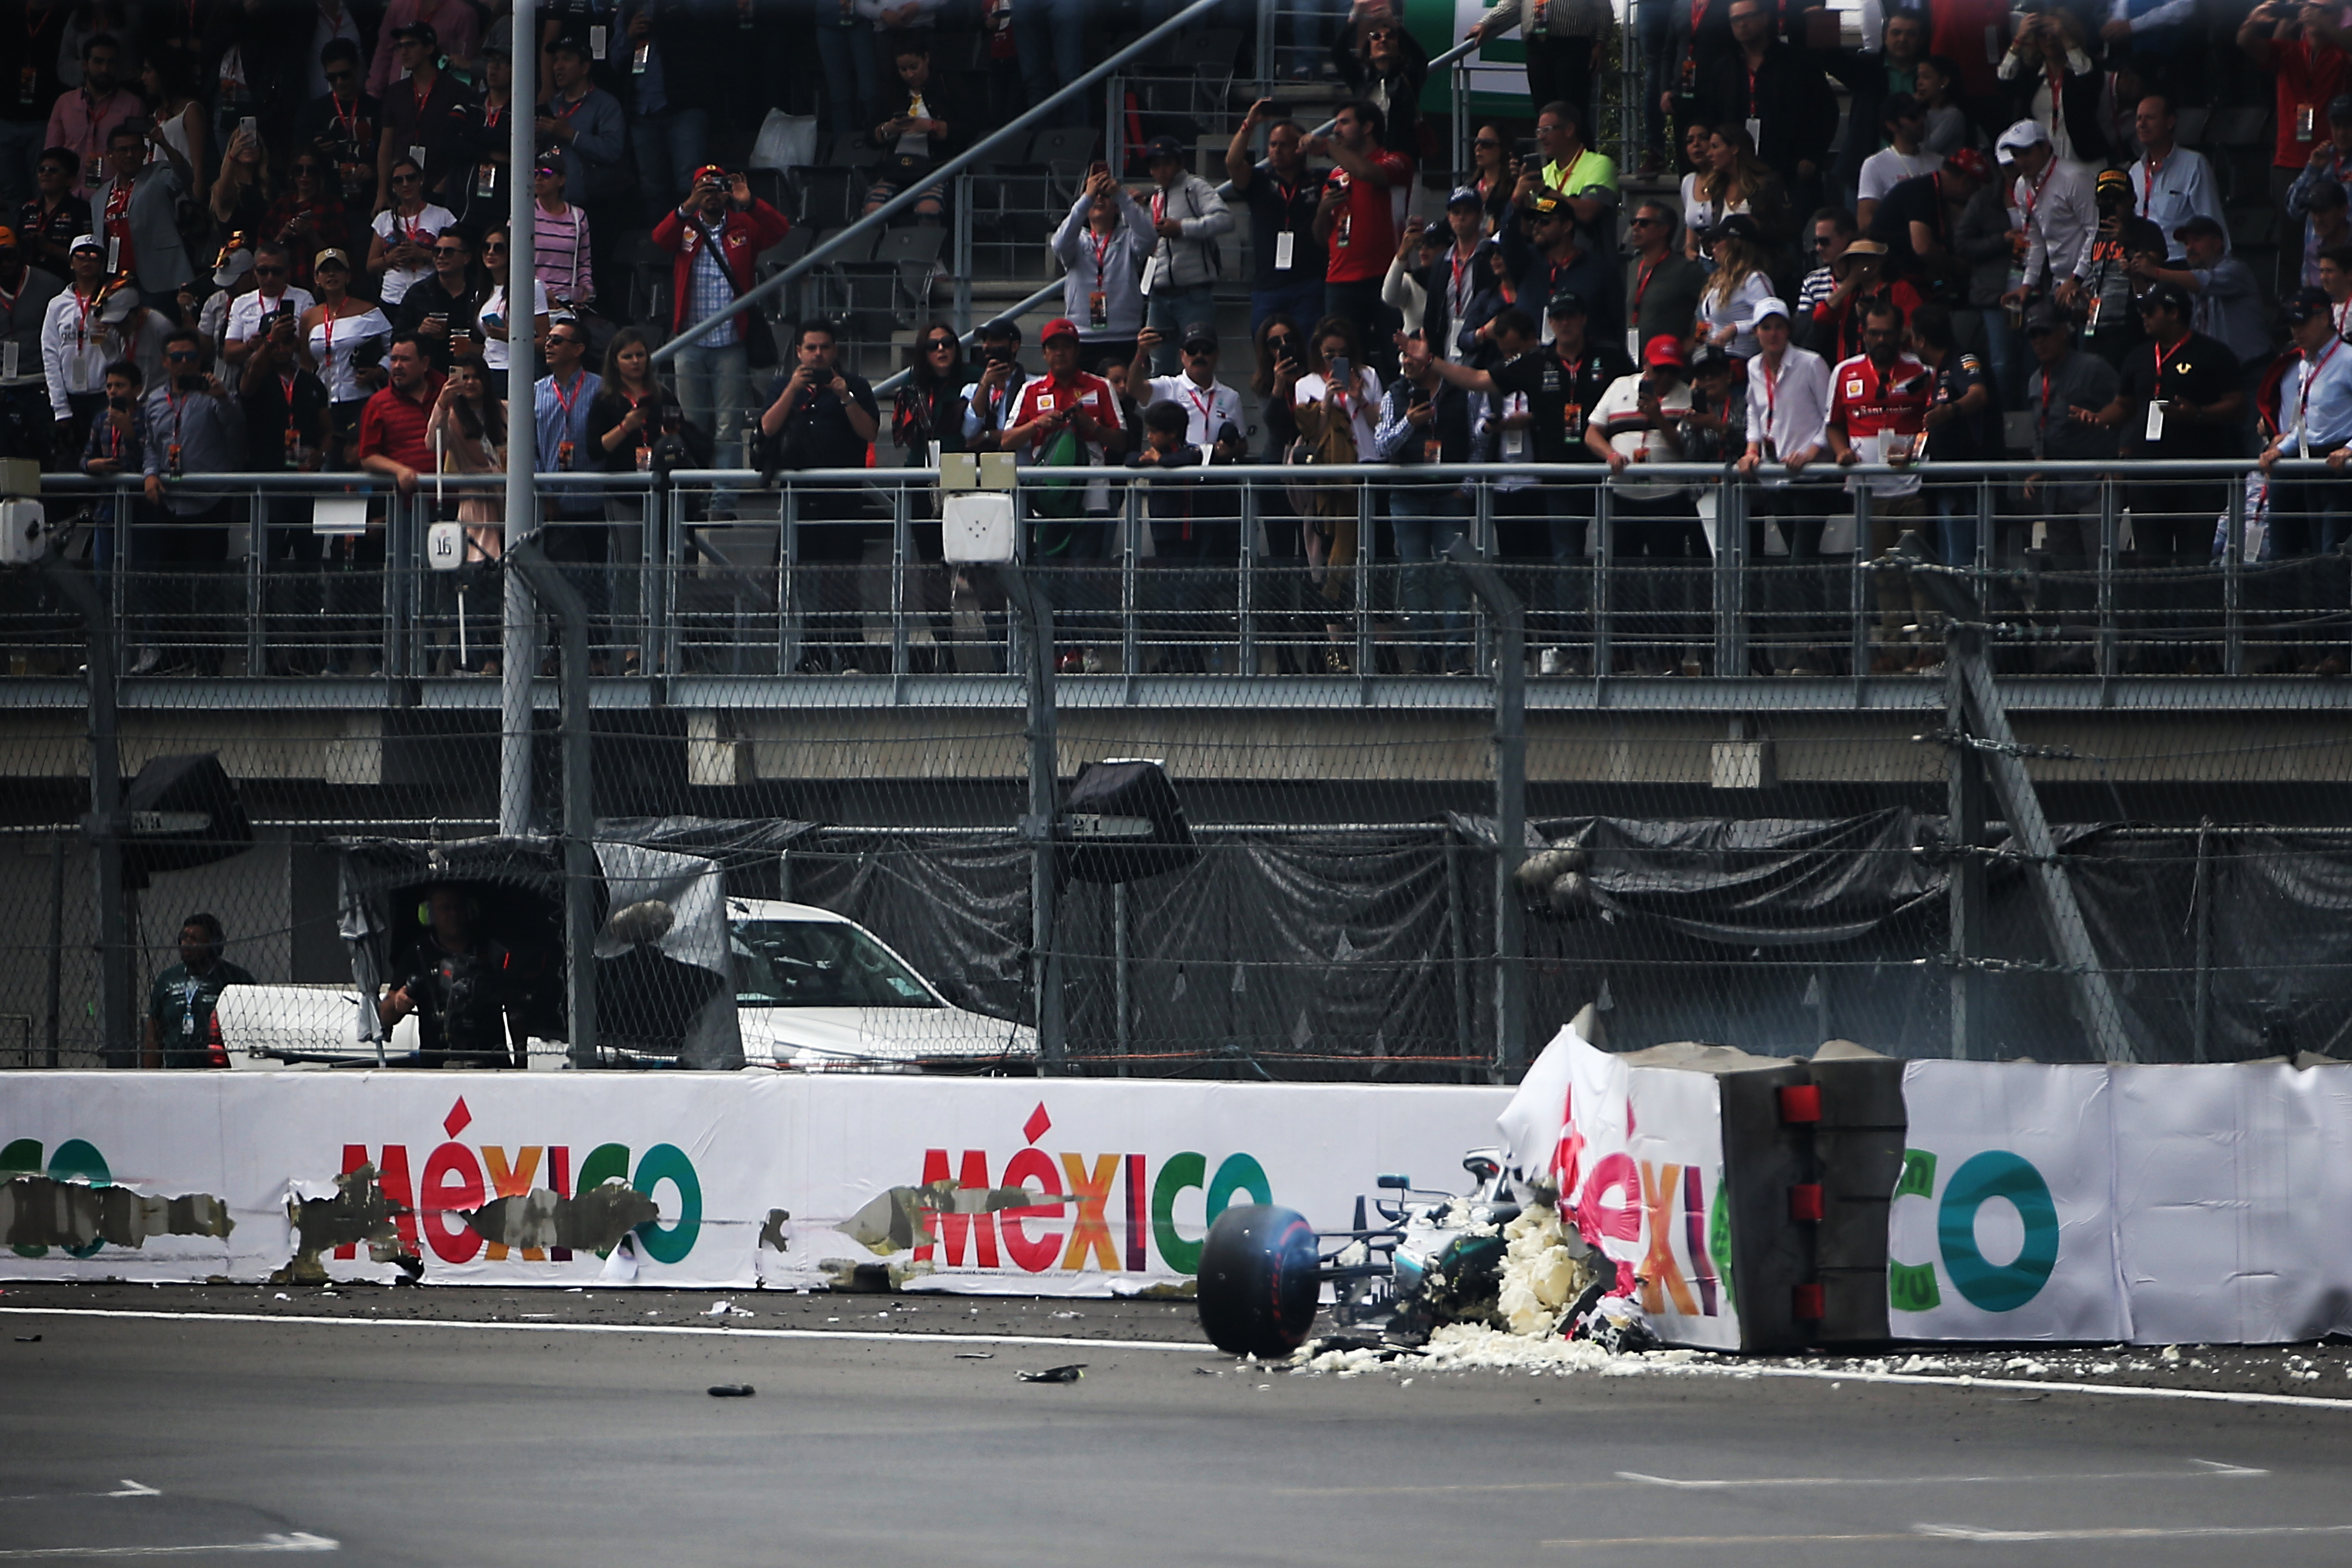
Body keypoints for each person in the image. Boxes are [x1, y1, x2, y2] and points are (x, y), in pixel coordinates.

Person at [1430, 294, 1633, 670]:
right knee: (1566, 564)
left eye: (1571, 316)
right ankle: (1570, 648)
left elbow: (1637, 391)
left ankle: (1621, 648)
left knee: (1616, 563)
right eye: (1558, 317)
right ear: (1550, 323)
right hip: (1559, 481)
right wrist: (1431, 361)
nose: (1565, 324)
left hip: (1609, 474)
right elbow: (1479, 379)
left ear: (1584, 318)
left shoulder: (1612, 355)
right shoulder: (1537, 362)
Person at [2092, 280, 2244, 670]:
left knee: (2195, 566)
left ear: (2174, 312)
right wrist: (2095, 419)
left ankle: (2203, 650)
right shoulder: (2140, 356)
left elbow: (2236, 404)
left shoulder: (2213, 354)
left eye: (2150, 311)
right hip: (2149, 478)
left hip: (2197, 477)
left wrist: (2198, 414)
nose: (2143, 318)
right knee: (2151, 565)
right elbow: (2123, 405)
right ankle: (2153, 650)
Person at [758, 318, 883, 672]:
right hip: (800, 501)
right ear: (798, 352)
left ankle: (848, 655)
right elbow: (767, 428)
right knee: (806, 583)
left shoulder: (856, 384)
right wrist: (791, 390)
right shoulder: (784, 385)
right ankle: (811, 655)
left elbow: (870, 432)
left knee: (842, 581)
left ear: (835, 350)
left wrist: (845, 396)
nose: (817, 354)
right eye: (810, 348)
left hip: (843, 501)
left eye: (824, 347)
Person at [652, 163, 790, 479]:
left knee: (728, 427)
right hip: (690, 341)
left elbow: (780, 230)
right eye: (705, 186)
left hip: (731, 342)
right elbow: (659, 239)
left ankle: (723, 503)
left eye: (718, 186)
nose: (712, 193)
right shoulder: (685, 226)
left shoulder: (743, 225)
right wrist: (687, 206)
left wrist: (749, 201)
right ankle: (697, 496)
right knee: (695, 424)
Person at [1587, 335, 1702, 674]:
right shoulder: (1619, 387)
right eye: (1659, 370)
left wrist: (1661, 419)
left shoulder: (1687, 395)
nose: (1665, 378)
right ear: (1646, 365)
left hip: (1668, 498)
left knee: (1668, 579)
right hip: (1624, 497)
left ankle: (1669, 653)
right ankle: (1622, 651)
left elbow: (1688, 449)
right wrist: (1609, 453)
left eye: (1671, 371)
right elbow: (1592, 433)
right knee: (1622, 577)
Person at [2017, 301, 2120, 670]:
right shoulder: (2035, 380)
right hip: (2058, 488)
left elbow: (2128, 406)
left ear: (2064, 332)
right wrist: (2039, 468)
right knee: (2068, 573)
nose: (2039, 342)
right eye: (2033, 336)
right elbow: (2042, 431)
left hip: (2093, 483)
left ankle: (2115, 652)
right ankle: (2077, 652)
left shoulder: (2093, 369)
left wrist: (2122, 459)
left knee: (2102, 570)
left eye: (2045, 333)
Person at [2255, 286, 2352, 674]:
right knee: (2314, 558)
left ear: (2324, 318)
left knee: (2332, 557)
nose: (2296, 332)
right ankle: (2317, 647)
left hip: (2339, 466)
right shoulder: (2305, 365)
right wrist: (2284, 445)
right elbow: (2306, 421)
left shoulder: (2347, 359)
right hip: (2311, 462)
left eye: (2303, 323)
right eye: (2292, 325)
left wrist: (2350, 449)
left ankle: (2341, 648)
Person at [1736, 297, 1835, 673]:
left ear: (1788, 330)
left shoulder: (1810, 363)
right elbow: (1754, 413)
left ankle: (1822, 645)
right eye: (1766, 327)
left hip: (1811, 477)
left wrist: (1812, 451)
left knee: (1801, 562)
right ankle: (1822, 645)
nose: (1772, 334)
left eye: (1778, 326)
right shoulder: (1753, 367)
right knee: (1800, 563)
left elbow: (1830, 415)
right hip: (1779, 477)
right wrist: (1751, 450)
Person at [1370, 327, 1476, 675]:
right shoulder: (1395, 394)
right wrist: (1408, 424)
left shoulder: (1461, 392)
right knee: (1415, 576)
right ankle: (1428, 656)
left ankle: (1458, 658)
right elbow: (1383, 446)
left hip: (1450, 495)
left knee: (1454, 574)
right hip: (1408, 497)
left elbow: (1479, 443)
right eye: (1402, 355)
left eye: (1412, 354)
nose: (1406, 361)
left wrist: (1468, 486)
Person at [137, 328, 243, 675]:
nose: (185, 364)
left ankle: (209, 662)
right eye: (177, 358)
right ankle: (175, 655)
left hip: (209, 502)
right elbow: (151, 443)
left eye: (191, 357)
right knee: (170, 582)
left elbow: (237, 432)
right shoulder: (154, 400)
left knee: (208, 584)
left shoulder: (214, 394)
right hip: (170, 501)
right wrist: (151, 472)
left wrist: (224, 399)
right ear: (166, 362)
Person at [239, 294, 331, 672]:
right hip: (270, 487)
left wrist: (321, 455)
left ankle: (308, 653)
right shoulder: (258, 379)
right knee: (268, 571)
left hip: (305, 487)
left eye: (288, 341)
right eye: (276, 341)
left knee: (310, 569)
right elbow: (245, 385)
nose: (283, 348)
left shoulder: (311, 383)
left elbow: (328, 431)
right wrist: (267, 345)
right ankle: (268, 654)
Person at [2240, 1, 2352, 299]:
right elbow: (2245, 42)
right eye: (2309, 7)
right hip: (2290, 159)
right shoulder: (2289, 50)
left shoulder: (2341, 53)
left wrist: (2327, 24)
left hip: (2330, 159)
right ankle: (2293, 311)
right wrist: (2258, 17)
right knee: (2291, 241)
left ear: (2338, 15)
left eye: (2323, 8)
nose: (2312, 13)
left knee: (2337, 238)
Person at [1702, 0, 1835, 203]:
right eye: (1736, 20)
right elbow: (1713, 115)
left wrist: (1812, 154)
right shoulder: (1724, 68)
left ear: (1764, 18)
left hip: (1790, 166)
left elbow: (1826, 110)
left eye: (1748, 17)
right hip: (1740, 168)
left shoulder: (1797, 63)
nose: (1742, 24)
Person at [381, 884, 523, 1069]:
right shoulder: (417, 954)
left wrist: (521, 1057)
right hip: (437, 1064)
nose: (453, 914)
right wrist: (398, 1003)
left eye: (458, 907)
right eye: (445, 908)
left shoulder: (490, 949)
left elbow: (516, 1006)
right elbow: (385, 1014)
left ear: (469, 910)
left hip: (491, 1061)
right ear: (430, 914)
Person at [1309, 101, 1411, 349]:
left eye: (1345, 122)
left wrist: (1326, 147)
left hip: (1388, 277)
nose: (1336, 129)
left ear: (1368, 127)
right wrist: (1323, 210)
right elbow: (1321, 238)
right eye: (1336, 123)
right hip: (1341, 281)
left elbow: (1369, 173)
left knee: (1394, 355)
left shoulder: (1397, 161)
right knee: (1343, 358)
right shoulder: (1335, 176)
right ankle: (1344, 391)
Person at [1132, 134, 1231, 377]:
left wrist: (1183, 228)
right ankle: (1161, 415)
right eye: (1155, 165)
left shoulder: (1195, 187)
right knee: (1158, 368)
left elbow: (1224, 220)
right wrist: (1138, 210)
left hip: (1194, 293)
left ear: (1179, 163)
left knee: (1200, 360)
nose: (1161, 170)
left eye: (1166, 163)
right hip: (1159, 295)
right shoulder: (1156, 198)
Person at [1228, 102, 1328, 337]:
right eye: (1273, 145)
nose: (1276, 151)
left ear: (1300, 147)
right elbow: (1233, 163)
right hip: (1268, 285)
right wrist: (1249, 124)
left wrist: (1324, 148)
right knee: (1266, 350)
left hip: (1309, 282)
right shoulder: (1259, 181)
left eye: (1284, 145)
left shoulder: (1320, 179)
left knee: (1308, 349)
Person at [1907, 302, 1994, 568]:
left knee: (1961, 562)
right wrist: (1912, 454)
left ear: (1921, 340)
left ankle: (1969, 609)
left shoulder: (1962, 360)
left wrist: (1951, 410)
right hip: (1943, 481)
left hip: (1964, 482)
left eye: (1912, 337)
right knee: (1947, 562)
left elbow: (1979, 394)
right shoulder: (1938, 371)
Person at [2135, 215, 2271, 372]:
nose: (2190, 248)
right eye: (2186, 243)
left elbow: (2204, 282)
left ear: (2217, 243)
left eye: (2196, 240)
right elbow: (2151, 306)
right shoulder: (2187, 282)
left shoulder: (2236, 270)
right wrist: (2136, 279)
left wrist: (2155, 271)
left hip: (2252, 370)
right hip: (2217, 374)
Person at [618, 0, 714, 218]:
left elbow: (711, 16)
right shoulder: (630, 9)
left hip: (685, 107)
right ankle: (661, 247)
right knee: (653, 191)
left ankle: (696, 246)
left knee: (689, 185)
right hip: (642, 112)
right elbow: (614, 59)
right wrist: (629, 35)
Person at [1053, 167, 1151, 371]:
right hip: (1083, 337)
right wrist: (1086, 198)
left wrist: (1122, 197)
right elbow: (1059, 244)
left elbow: (1150, 238)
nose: (1100, 199)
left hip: (1125, 336)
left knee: (1125, 397)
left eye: (1106, 196)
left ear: (1116, 207)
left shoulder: (1128, 238)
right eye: (1095, 196)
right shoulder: (1076, 240)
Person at [299, 247, 390, 468]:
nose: (332, 275)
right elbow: (305, 361)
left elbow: (393, 348)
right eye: (326, 271)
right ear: (317, 279)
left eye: (338, 270)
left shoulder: (368, 312)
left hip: (359, 398)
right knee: (329, 461)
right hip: (324, 401)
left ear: (348, 276)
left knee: (358, 460)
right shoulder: (309, 317)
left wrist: (379, 371)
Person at [376, 22, 477, 214]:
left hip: (440, 184)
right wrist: (382, 192)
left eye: (411, 45)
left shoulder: (457, 90)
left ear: (430, 48)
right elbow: (386, 144)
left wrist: (447, 181)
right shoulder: (395, 92)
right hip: (401, 185)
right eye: (400, 46)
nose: (404, 52)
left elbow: (465, 144)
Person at [1995, 120, 2095, 314]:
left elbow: (2096, 231)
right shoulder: (2021, 186)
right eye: (2016, 155)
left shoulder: (2074, 177)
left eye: (2027, 153)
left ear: (2046, 147)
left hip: (2089, 281)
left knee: (2085, 341)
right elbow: (2034, 238)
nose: (2021, 161)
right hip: (2059, 283)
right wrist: (2027, 284)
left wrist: (2077, 278)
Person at [1504, 191, 1623, 350]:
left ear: (1567, 226)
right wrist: (1515, 202)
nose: (1537, 227)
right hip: (1529, 361)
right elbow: (1508, 239)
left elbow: (1616, 322)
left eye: (1545, 222)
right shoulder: (1526, 261)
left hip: (1581, 361)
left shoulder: (1600, 270)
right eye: (1535, 222)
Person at [1468, 0, 1613, 130]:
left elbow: (1602, 7)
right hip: (1537, 46)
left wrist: (1600, 43)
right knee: (1545, 113)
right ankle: (1553, 160)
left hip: (1572, 45)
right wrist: (1485, 23)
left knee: (1573, 113)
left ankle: (1583, 158)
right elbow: (1512, 2)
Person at [861, 32, 959, 223]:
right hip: (896, 169)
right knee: (873, 207)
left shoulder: (947, 85)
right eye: (903, 70)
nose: (910, 75)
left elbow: (968, 129)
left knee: (928, 207)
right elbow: (870, 137)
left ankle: (928, 252)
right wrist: (888, 129)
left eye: (914, 67)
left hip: (936, 169)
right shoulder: (891, 91)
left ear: (927, 58)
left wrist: (931, 127)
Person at [140, 912, 255, 1068]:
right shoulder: (168, 980)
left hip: (223, 1073)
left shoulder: (236, 979)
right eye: (184, 938)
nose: (186, 944)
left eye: (194, 939)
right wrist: (151, 1074)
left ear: (214, 945)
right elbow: (154, 1031)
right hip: (176, 1072)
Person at [88, 118, 186, 298]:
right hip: (116, 282)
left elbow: (185, 177)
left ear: (144, 152)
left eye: (135, 149)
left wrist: (164, 144)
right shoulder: (98, 197)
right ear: (110, 155)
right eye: (123, 150)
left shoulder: (158, 175)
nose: (130, 155)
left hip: (159, 279)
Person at [1997, 10, 2103, 172]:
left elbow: (2088, 80)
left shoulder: (2085, 71)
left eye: (2055, 35)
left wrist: (2065, 36)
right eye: (2042, 35)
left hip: (2083, 160)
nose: (2049, 40)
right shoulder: (2033, 76)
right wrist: (2018, 41)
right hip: (2045, 161)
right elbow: (2004, 82)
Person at [534, 35, 626, 223]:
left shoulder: (606, 105)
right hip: (549, 205)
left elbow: (613, 151)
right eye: (557, 60)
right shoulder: (552, 105)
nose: (558, 66)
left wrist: (571, 135)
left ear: (585, 67)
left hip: (591, 207)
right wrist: (535, 139)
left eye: (566, 59)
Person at [39, 231, 113, 456]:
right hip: (71, 395)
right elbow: (50, 354)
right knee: (75, 455)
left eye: (94, 256)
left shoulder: (114, 299)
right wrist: (60, 407)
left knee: (107, 454)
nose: (87, 260)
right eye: (81, 255)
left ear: (101, 263)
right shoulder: (57, 305)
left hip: (104, 393)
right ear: (71, 262)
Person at [2126, 98, 2223, 265]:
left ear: (2170, 122)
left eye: (2150, 118)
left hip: (2179, 264)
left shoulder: (2194, 164)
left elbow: (2211, 223)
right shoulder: (2135, 171)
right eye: (2139, 118)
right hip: (2140, 266)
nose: (2142, 124)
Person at [1519, 100, 1618, 255]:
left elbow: (1587, 214)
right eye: (1539, 131)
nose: (1541, 137)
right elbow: (1528, 230)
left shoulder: (1599, 164)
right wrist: (1521, 198)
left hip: (1590, 266)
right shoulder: (1545, 173)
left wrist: (1545, 191)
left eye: (1547, 130)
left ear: (1569, 130)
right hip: (1549, 266)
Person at [44, 32, 136, 198]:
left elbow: (137, 159)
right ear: (85, 65)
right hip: (69, 196)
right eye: (99, 61)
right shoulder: (65, 103)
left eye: (111, 63)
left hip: (114, 197)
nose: (105, 69)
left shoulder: (133, 105)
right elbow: (52, 154)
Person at [1807, 238, 1924, 366]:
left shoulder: (1901, 289)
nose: (1861, 264)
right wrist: (1851, 281)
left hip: (1893, 365)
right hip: (1853, 368)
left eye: (1867, 258)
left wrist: (1873, 318)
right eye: (1855, 260)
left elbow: (1915, 332)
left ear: (1880, 261)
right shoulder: (1850, 294)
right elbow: (1821, 316)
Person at [293, 38, 377, 211]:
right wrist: (314, 149)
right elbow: (297, 157)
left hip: (369, 198)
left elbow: (389, 152)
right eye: (332, 77)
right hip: (325, 201)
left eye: (345, 74)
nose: (339, 82)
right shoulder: (312, 112)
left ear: (357, 68)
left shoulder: (376, 108)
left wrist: (373, 169)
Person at [1331, 8, 1426, 158]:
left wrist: (1395, 24)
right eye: (1376, 37)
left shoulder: (1408, 77)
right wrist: (1354, 18)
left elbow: (1420, 57)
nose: (1383, 40)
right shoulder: (1361, 78)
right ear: (1369, 49)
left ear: (1400, 48)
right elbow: (1338, 53)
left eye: (1390, 36)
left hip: (1400, 157)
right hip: (1365, 157)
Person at [2287, 94, 2352, 289]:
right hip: (2316, 274)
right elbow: (2294, 209)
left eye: (2348, 125)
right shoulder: (2322, 160)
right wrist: (2312, 170)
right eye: (2336, 126)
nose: (2341, 133)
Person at [261, 151, 348, 297]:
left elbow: (339, 257)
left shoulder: (331, 205)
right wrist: (283, 235)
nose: (305, 175)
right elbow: (263, 252)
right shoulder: (281, 205)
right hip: (284, 284)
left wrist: (311, 234)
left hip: (318, 286)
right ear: (292, 174)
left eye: (311, 171)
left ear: (319, 174)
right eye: (299, 170)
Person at [476, 224, 547, 404]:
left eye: (499, 248)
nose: (491, 253)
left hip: (515, 370)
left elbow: (546, 340)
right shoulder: (483, 291)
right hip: (486, 370)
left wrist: (511, 336)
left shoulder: (531, 286)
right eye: (487, 247)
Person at [222, 242, 313, 377]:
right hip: (256, 378)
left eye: (276, 272)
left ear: (287, 271)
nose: (270, 278)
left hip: (294, 376)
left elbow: (315, 347)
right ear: (255, 271)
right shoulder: (241, 303)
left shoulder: (304, 298)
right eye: (263, 271)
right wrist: (250, 345)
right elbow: (229, 354)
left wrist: (288, 340)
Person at [1856, 94, 1941, 234]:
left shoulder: (1939, 162)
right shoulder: (1875, 164)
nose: (1921, 121)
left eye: (1923, 115)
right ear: (1892, 125)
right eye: (1913, 117)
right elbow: (1865, 221)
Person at [394, 226, 487, 351]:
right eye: (437, 252)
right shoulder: (419, 293)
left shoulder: (481, 291)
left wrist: (477, 349)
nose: (441, 256)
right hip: (431, 366)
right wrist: (419, 332)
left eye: (449, 252)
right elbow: (396, 340)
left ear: (467, 258)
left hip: (471, 366)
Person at [366, 0, 483, 98]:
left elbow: (463, 63)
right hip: (398, 95)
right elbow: (384, 53)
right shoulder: (398, 6)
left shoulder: (464, 14)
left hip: (439, 96)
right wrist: (373, 93)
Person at [1696, 213, 1774, 360]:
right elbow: (1706, 324)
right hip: (1713, 362)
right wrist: (1699, 349)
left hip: (1741, 362)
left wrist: (1735, 328)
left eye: (1719, 240)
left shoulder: (1754, 280)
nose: (1713, 245)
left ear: (1735, 243)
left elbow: (1772, 319)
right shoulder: (1716, 279)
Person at [529, 157, 595, 318]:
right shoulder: (524, 212)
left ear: (562, 180)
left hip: (567, 306)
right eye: (536, 172)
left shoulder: (578, 217)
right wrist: (543, 289)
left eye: (547, 173)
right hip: (533, 302)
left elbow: (583, 261)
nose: (539, 178)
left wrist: (586, 288)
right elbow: (516, 261)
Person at [18, 146, 88, 279]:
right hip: (28, 281)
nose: (46, 174)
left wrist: (49, 247)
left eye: (53, 170)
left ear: (70, 180)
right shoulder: (29, 209)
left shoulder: (81, 210)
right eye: (42, 170)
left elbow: (88, 257)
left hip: (65, 282)